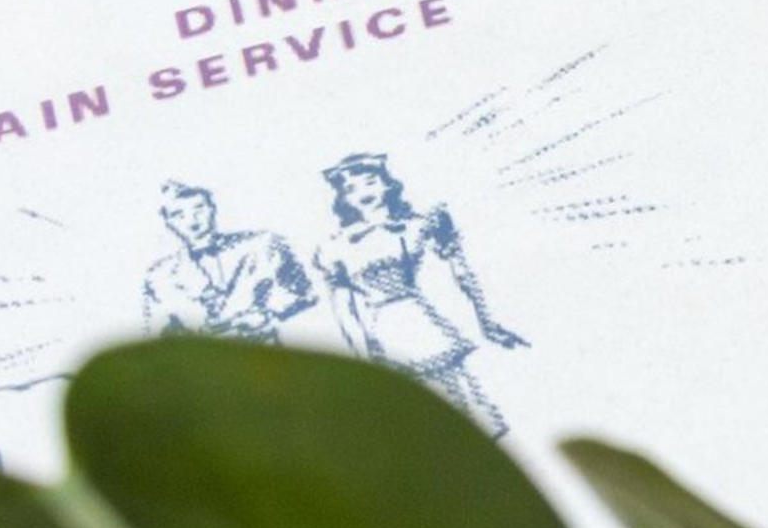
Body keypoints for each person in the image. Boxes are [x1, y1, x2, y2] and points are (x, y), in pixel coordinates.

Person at [313, 151, 529, 434]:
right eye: (351, 188)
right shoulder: (336, 247)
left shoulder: (415, 226)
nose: (363, 192)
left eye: (369, 181)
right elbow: (343, 308)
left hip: (419, 322)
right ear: (343, 199)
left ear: (387, 184)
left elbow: (461, 272)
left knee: (457, 400)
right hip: (380, 331)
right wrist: (359, 357)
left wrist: (488, 324)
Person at [137, 181, 316, 338]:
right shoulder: (159, 277)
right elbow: (157, 338)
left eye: (199, 208)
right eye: (178, 215)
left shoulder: (262, 245)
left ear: (212, 209)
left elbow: (305, 294)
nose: (192, 220)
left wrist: (270, 315)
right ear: (168, 223)